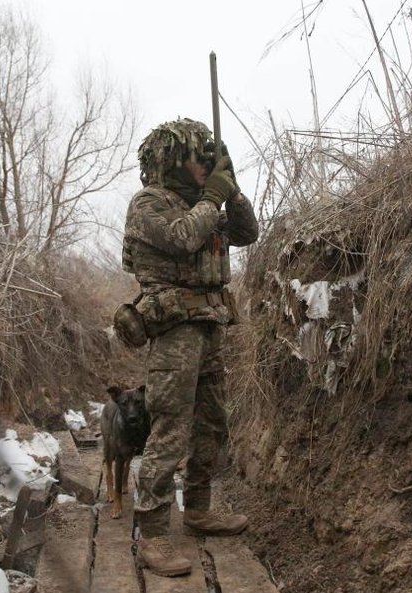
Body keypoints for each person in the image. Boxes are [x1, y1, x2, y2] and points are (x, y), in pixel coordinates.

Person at [121, 118, 259, 577]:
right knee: (170, 427)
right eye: (197, 157)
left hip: (211, 326)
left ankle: (198, 508)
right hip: (174, 331)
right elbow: (181, 238)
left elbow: (247, 232)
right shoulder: (150, 204)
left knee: (212, 422)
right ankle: (155, 533)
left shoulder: (206, 204)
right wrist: (213, 196)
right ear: (170, 160)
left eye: (208, 157)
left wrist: (231, 188)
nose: (204, 165)